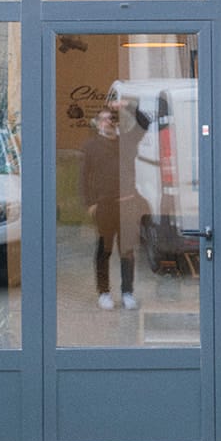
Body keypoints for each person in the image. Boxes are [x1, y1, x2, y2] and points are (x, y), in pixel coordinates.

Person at [81, 97, 149, 310]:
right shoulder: (91, 147)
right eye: (103, 120)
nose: (107, 123)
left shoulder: (127, 142)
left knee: (127, 250)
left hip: (127, 204)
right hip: (105, 207)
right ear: (97, 123)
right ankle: (104, 293)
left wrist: (127, 106)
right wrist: (90, 203)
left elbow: (145, 122)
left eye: (111, 119)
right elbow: (83, 178)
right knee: (104, 250)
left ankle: (127, 293)